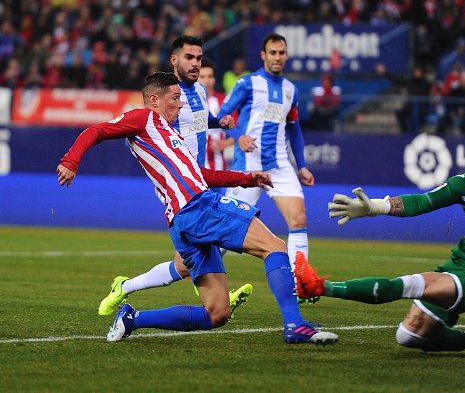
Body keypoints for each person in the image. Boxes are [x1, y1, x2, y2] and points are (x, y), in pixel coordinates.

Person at [57, 71, 339, 345]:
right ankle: (294, 325)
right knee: (275, 247)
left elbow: (200, 174)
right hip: (198, 207)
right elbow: (96, 130)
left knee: (217, 313)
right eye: (175, 98)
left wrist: (246, 179)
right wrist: (71, 161)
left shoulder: (169, 134)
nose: (180, 104)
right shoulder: (143, 118)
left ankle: (133, 319)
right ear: (154, 100)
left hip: (182, 224)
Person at [294, 123, 465, 357]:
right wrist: (374, 207)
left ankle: (319, 286)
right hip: (461, 266)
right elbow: (423, 201)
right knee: (409, 336)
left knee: (415, 284)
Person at [96, 36, 252, 319]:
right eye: (189, 57)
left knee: (184, 264)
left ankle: (125, 287)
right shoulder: (165, 101)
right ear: (174, 60)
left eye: (199, 58)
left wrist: (219, 122)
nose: (196, 64)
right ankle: (217, 297)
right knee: (204, 246)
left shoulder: (200, 92)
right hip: (182, 188)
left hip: (203, 180)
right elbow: (145, 132)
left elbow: (200, 119)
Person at [219, 33, 315, 283]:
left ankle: (299, 283)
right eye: (273, 52)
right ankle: (198, 268)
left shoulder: (291, 90)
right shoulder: (248, 83)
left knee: (298, 219)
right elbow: (222, 116)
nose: (277, 57)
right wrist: (238, 136)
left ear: (287, 55)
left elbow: (294, 128)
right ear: (263, 55)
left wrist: (302, 166)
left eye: (281, 52)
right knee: (225, 230)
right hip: (248, 166)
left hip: (279, 166)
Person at [199, 59, 235, 178]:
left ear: (214, 79)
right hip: (193, 166)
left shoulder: (223, 101)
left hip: (218, 165)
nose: (206, 80)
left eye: (210, 76)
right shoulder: (186, 102)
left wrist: (227, 142)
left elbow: (241, 127)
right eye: (202, 77)